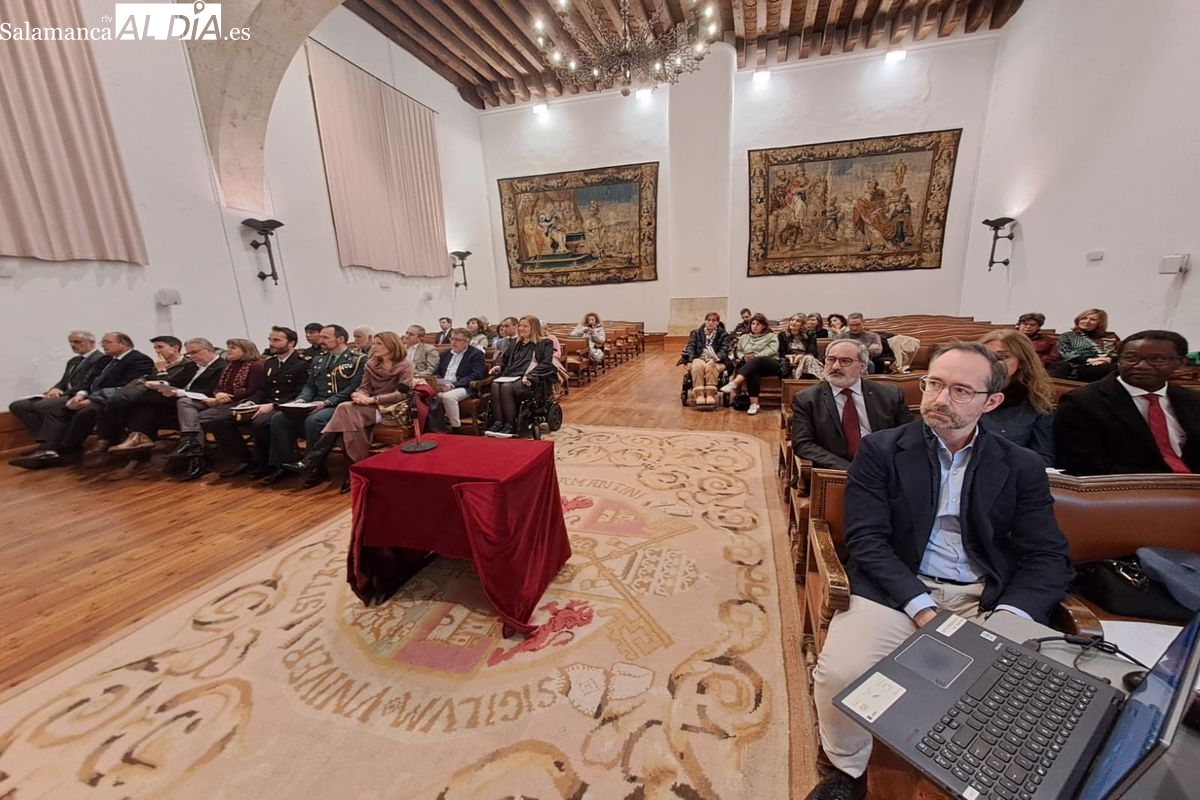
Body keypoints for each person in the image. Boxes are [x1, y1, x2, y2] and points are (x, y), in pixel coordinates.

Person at [806, 342, 1073, 800]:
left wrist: (1010, 616)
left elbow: (1048, 555)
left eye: (960, 390)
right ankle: (846, 770)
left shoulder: (1021, 465)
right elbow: (867, 540)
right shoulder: (882, 450)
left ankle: (983, 778)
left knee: (1033, 696)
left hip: (984, 596)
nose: (939, 398)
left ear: (991, 402)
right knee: (841, 672)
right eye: (933, 383)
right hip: (897, 590)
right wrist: (921, 606)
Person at [1054, 329, 1199, 475]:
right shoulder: (1082, 402)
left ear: (1181, 363)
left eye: (1157, 359)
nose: (1141, 366)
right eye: (1131, 358)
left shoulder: (1192, 400)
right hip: (1130, 488)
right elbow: (1085, 464)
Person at [283, 331, 412, 491]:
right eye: (374, 343)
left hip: (389, 409)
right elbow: (364, 387)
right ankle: (354, 474)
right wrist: (360, 394)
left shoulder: (404, 365)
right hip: (367, 406)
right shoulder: (371, 363)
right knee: (349, 424)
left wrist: (372, 399)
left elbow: (403, 393)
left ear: (391, 345)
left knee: (344, 408)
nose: (374, 347)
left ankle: (312, 460)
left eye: (379, 344)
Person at [10, 332, 154, 469]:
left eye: (108, 342)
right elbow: (88, 382)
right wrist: (80, 394)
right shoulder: (106, 360)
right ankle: (51, 448)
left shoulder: (138, 359)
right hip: (92, 396)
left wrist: (91, 399)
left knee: (84, 412)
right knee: (53, 409)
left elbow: (127, 387)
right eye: (102, 342)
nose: (103, 345)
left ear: (124, 344)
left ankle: (67, 448)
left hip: (111, 400)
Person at [259, 324, 366, 485]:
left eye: (325, 337)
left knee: (314, 420)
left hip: (341, 403)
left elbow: (353, 387)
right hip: (316, 401)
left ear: (341, 339)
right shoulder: (319, 359)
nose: (320, 340)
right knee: (280, 418)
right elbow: (310, 385)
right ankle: (282, 465)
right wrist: (301, 400)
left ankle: (315, 468)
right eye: (321, 337)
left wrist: (326, 402)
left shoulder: (357, 359)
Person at [789, 340, 911, 471]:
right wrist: (850, 469)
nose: (835, 366)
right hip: (837, 472)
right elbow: (803, 444)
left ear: (862, 367)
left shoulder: (890, 395)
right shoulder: (807, 399)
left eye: (845, 361)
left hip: (885, 468)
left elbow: (907, 436)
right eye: (831, 359)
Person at [207, 326, 309, 478]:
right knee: (221, 420)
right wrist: (249, 402)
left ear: (291, 343)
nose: (271, 343)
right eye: (270, 339)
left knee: (260, 423)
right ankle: (243, 459)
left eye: (276, 340)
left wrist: (273, 405)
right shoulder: (270, 363)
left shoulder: (302, 364)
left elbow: (300, 392)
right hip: (264, 403)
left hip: (287, 405)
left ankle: (272, 464)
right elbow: (262, 389)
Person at [105, 338, 225, 454]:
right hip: (176, 399)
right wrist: (161, 384)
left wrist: (177, 392)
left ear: (209, 350)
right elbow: (175, 382)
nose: (191, 356)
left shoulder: (222, 367)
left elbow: (209, 392)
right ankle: (138, 436)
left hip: (195, 401)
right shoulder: (192, 366)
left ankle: (127, 425)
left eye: (194, 352)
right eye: (189, 353)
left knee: (141, 398)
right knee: (145, 407)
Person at [170, 338, 267, 481]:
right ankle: (199, 456)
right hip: (225, 401)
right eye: (228, 347)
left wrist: (227, 397)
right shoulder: (230, 366)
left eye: (233, 347)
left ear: (245, 350)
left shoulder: (256, 366)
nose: (228, 350)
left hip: (244, 402)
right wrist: (219, 393)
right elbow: (219, 387)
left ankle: (229, 457)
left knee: (204, 420)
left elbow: (254, 390)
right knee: (195, 417)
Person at [8, 330, 105, 445]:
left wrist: (63, 393)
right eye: (71, 342)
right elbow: (64, 381)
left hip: (80, 395)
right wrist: (55, 389)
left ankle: (58, 441)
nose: (73, 345)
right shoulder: (73, 361)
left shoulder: (101, 359)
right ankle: (45, 440)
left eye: (77, 341)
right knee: (18, 406)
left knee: (42, 406)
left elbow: (88, 383)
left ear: (91, 342)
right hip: (65, 393)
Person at [978, 329, 1056, 467]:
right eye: (985, 356)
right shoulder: (961, 394)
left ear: (1022, 362)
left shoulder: (1036, 404)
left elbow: (1043, 458)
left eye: (1003, 357)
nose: (992, 363)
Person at [484, 315, 556, 438]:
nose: (521, 328)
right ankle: (498, 422)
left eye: (525, 326)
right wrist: (499, 367)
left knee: (506, 387)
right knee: (495, 384)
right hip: (511, 375)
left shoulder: (544, 343)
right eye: (520, 326)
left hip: (529, 378)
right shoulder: (514, 343)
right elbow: (504, 359)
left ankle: (510, 425)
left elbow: (546, 364)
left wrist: (530, 376)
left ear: (533, 327)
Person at [719, 312, 779, 416]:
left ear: (764, 326)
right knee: (752, 371)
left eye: (758, 324)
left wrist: (756, 356)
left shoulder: (771, 336)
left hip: (769, 363)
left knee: (757, 360)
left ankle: (734, 383)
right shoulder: (744, 337)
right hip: (751, 365)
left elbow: (772, 350)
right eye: (753, 324)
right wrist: (743, 356)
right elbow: (739, 351)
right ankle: (754, 404)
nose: (754, 326)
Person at [434, 328, 487, 433]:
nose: (454, 342)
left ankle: (456, 428)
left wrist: (453, 385)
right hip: (444, 385)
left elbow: (476, 374)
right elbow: (438, 372)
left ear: (467, 342)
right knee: (428, 394)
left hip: (464, 386)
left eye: (458, 340)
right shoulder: (445, 354)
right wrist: (438, 382)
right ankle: (437, 427)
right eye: (452, 339)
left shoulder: (476, 354)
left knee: (448, 397)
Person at [1048, 308, 1120, 382]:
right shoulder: (1067, 336)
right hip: (1079, 367)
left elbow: (1121, 353)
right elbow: (1067, 354)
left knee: (1116, 368)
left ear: (1100, 323)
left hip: (1105, 366)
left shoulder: (1110, 336)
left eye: (1093, 319)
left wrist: (1108, 360)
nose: (1087, 321)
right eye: (1084, 318)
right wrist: (1090, 360)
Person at [678, 312, 732, 407]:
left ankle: (710, 395)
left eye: (713, 320)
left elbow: (724, 350)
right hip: (700, 357)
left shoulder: (724, 335)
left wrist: (716, 358)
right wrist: (690, 360)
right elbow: (690, 347)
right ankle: (699, 395)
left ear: (718, 322)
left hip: (717, 360)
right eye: (708, 320)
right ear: (705, 321)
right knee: (697, 366)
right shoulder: (696, 333)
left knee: (711, 366)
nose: (710, 322)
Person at [778, 314, 826, 380]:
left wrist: (800, 357)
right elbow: (781, 352)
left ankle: (799, 380)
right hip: (789, 359)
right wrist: (789, 357)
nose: (794, 322)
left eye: (797, 321)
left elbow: (812, 352)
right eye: (792, 320)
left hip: (806, 358)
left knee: (808, 358)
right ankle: (820, 381)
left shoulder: (810, 335)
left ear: (802, 324)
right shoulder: (782, 335)